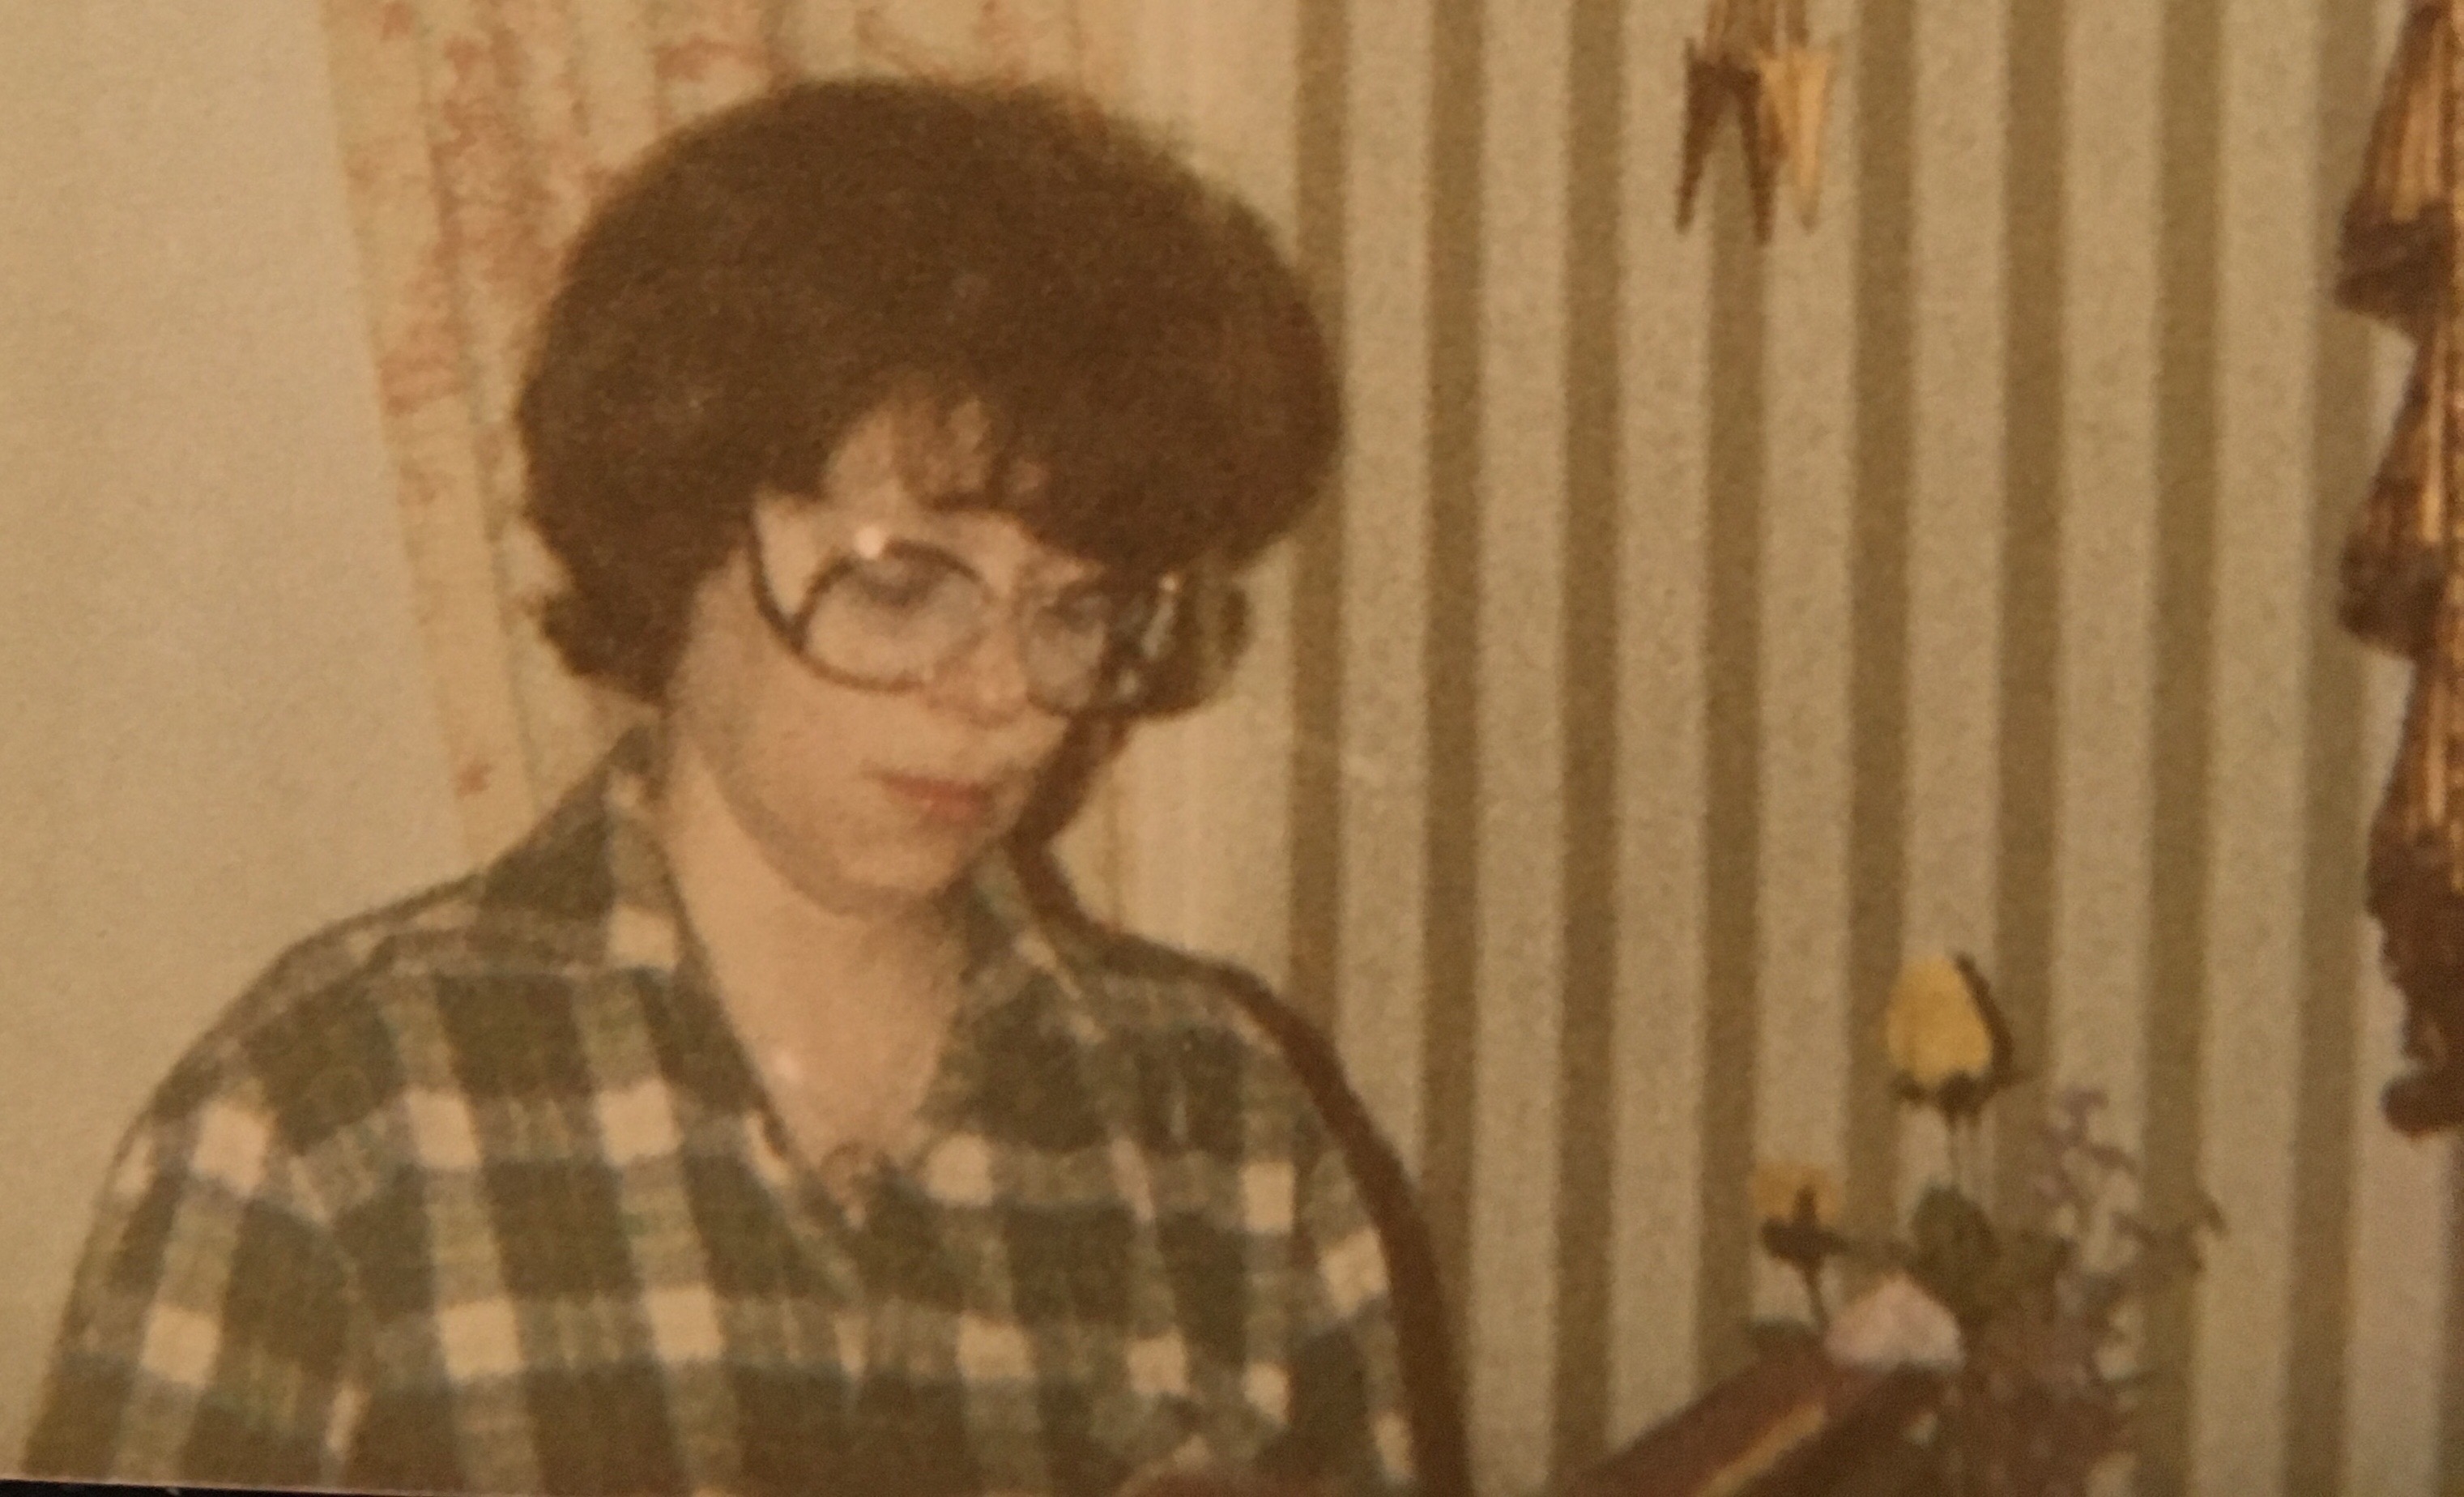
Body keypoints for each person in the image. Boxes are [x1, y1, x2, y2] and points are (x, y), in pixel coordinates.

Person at [23, 76, 1414, 1497]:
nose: (1000, 693)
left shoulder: (1220, 1122)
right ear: (675, 541)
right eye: (901, 586)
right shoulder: (333, 1116)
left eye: (1076, 610)